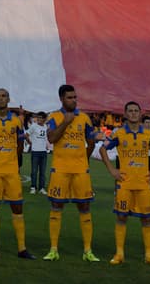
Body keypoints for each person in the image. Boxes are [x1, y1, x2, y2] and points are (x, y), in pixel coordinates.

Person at [103, 100, 150, 268]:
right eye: (130, 111)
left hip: (143, 183)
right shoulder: (119, 134)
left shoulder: (149, 134)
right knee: (121, 217)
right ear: (125, 114)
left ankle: (149, 255)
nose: (133, 113)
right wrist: (112, 171)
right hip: (125, 183)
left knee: (147, 219)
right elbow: (103, 149)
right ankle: (119, 253)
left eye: (136, 110)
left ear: (140, 113)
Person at [44, 84, 97, 262]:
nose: (73, 100)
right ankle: (53, 249)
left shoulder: (84, 118)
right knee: (56, 207)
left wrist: (83, 159)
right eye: (69, 98)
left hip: (80, 170)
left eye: (75, 97)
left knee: (84, 207)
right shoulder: (54, 117)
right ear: (61, 99)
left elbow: (91, 142)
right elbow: (51, 138)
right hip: (60, 169)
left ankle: (87, 251)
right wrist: (65, 122)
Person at [0, 88, 33, 259]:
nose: (1, 98)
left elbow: (20, 144)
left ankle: (22, 248)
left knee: (17, 206)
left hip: (11, 170)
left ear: (8, 99)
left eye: (4, 96)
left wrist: (11, 159)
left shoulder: (17, 121)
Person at [26, 111, 48, 195]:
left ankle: (41, 188)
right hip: (35, 151)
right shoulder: (33, 126)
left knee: (43, 172)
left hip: (43, 152)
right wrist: (30, 143)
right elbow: (26, 135)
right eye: (38, 117)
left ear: (44, 119)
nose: (38, 119)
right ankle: (33, 187)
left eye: (40, 118)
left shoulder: (45, 126)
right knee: (34, 171)